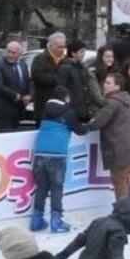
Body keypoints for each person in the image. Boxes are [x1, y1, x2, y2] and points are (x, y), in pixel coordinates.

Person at [31, 85, 88, 233]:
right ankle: (56, 221)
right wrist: (90, 125)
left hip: (40, 153)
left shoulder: (45, 110)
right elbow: (80, 130)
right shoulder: (68, 112)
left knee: (41, 187)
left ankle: (36, 220)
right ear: (66, 98)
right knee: (57, 187)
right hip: (57, 154)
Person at [87, 73, 130, 200]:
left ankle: (123, 212)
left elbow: (98, 123)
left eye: (108, 83)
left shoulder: (112, 103)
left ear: (117, 86)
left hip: (120, 148)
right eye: (105, 82)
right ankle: (129, 209)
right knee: (124, 179)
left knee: (118, 180)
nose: (104, 85)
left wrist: (87, 124)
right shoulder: (124, 100)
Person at [0, 41, 31, 131]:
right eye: (8, 51)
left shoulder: (23, 65)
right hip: (3, 110)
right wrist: (14, 95)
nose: (10, 55)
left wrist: (28, 95)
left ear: (20, 54)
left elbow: (27, 82)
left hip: (18, 110)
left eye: (13, 53)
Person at [31, 32, 67, 125]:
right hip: (44, 106)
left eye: (63, 46)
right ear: (51, 46)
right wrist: (57, 79)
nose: (62, 49)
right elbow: (36, 75)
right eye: (59, 47)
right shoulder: (40, 59)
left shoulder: (66, 60)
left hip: (61, 106)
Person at [57, 38, 93, 122]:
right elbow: (61, 89)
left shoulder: (82, 67)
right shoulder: (65, 68)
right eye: (81, 51)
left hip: (84, 111)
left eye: (84, 51)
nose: (83, 54)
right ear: (73, 53)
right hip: (73, 112)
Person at [86, 46, 114, 117]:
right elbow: (97, 97)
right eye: (107, 57)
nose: (110, 59)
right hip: (97, 110)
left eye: (112, 57)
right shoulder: (93, 72)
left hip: (110, 107)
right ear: (101, 57)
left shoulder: (113, 72)